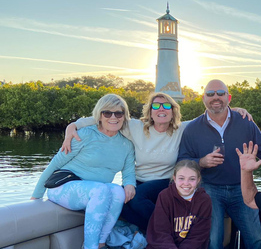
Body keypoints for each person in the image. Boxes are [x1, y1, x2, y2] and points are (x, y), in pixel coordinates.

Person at [62, 92, 251, 232]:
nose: (162, 109)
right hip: (139, 181)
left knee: (137, 198)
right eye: (156, 106)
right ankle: (166, 230)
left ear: (173, 112)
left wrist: (232, 110)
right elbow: (105, 118)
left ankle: (165, 231)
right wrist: (74, 125)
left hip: (166, 182)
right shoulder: (135, 127)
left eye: (167, 106)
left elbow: (208, 116)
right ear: (150, 112)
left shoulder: (182, 129)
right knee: (121, 204)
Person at [178, 79, 261, 249]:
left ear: (229, 97)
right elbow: (182, 162)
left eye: (221, 93)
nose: (215, 97)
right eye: (210, 93)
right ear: (203, 98)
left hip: (243, 188)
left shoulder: (246, 122)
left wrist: (258, 166)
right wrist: (201, 162)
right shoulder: (192, 128)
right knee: (212, 245)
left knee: (258, 240)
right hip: (210, 190)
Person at [31, 94, 136, 249]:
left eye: (118, 114)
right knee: (102, 191)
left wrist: (129, 184)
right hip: (63, 186)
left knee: (117, 192)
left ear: (124, 116)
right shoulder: (84, 135)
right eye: (107, 113)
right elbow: (56, 163)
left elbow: (128, 171)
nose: (113, 118)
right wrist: (36, 195)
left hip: (94, 191)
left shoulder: (126, 144)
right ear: (99, 115)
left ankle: (100, 245)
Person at [146, 160, 212, 249]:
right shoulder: (164, 196)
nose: (186, 183)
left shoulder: (204, 200)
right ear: (174, 178)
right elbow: (160, 231)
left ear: (198, 180)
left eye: (192, 179)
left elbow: (199, 237)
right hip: (162, 248)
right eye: (181, 178)